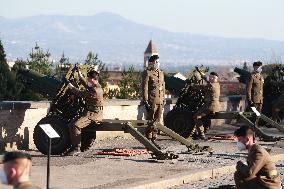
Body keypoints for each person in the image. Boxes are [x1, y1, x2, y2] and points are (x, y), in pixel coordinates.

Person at [66, 65, 104, 155]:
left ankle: (76, 148)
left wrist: (69, 85)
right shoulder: (96, 86)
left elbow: (80, 93)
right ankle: (73, 144)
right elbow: (86, 84)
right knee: (70, 124)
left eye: (89, 79)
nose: (88, 81)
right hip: (90, 113)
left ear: (92, 79)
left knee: (76, 125)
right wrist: (79, 74)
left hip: (93, 115)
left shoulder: (95, 91)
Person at [191, 71, 220, 140]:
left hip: (210, 106)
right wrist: (203, 76)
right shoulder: (217, 84)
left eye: (210, 77)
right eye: (209, 77)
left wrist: (192, 85)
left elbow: (201, 87)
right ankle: (202, 131)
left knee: (196, 116)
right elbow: (208, 82)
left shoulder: (211, 86)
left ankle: (201, 134)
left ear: (213, 78)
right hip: (215, 105)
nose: (209, 78)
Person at [142, 55, 165, 140]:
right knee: (150, 119)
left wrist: (164, 98)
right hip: (152, 100)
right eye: (156, 62)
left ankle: (154, 135)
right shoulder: (147, 73)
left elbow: (163, 86)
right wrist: (146, 101)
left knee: (157, 119)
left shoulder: (161, 73)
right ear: (152, 62)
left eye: (158, 62)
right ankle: (148, 136)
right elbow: (145, 87)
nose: (158, 63)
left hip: (160, 99)